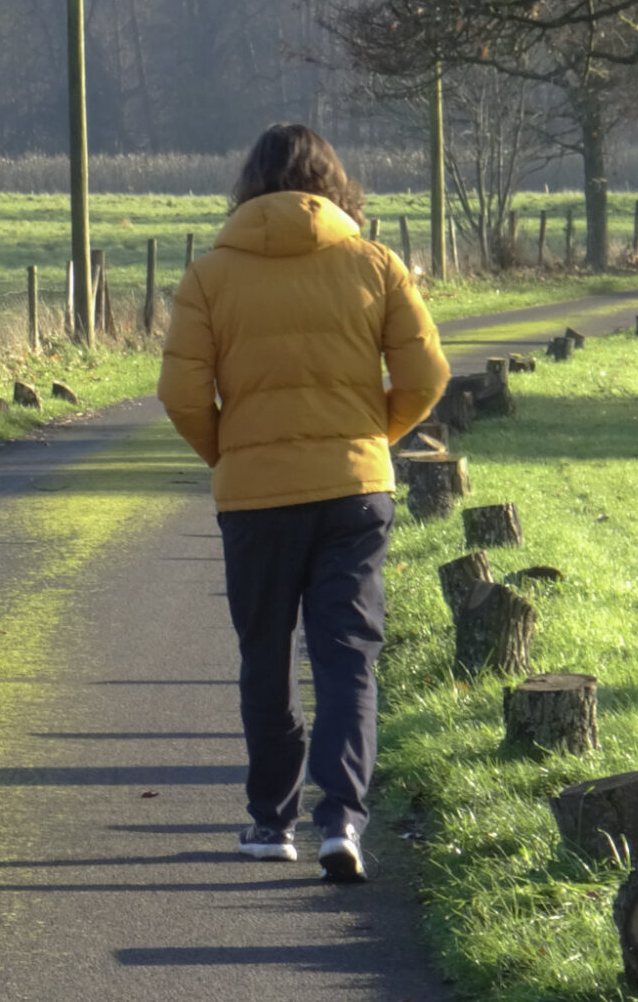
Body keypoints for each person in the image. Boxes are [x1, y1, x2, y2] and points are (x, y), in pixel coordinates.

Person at [157, 124, 449, 882]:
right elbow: (426, 376)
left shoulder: (210, 275)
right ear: (333, 184)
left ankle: (269, 819)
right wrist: (367, 438)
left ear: (248, 186)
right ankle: (343, 818)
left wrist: (230, 451)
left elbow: (181, 394)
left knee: (266, 653)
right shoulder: (375, 263)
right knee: (348, 656)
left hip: (255, 497)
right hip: (355, 489)